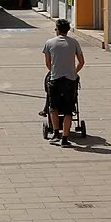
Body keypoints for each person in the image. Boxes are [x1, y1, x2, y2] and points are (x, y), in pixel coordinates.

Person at [43, 17, 85, 145]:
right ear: (67, 30)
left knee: (53, 107)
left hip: (55, 79)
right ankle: (65, 139)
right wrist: (73, 72)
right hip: (70, 80)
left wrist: (55, 71)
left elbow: (48, 64)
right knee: (68, 110)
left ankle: (56, 133)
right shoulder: (74, 43)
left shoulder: (49, 43)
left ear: (57, 30)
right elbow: (82, 62)